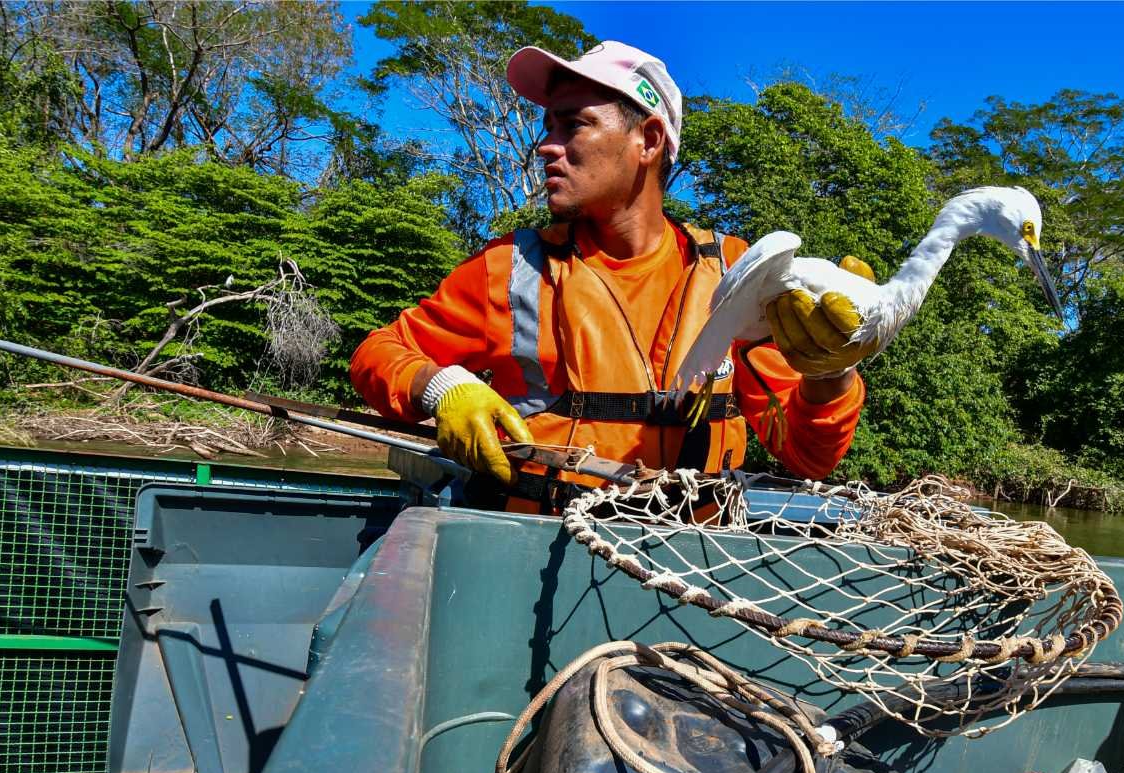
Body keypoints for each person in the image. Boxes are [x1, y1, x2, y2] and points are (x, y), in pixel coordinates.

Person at [351, 41, 875, 514]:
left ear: (647, 140)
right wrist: (441, 387)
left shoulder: (738, 271)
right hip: (535, 558)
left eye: (573, 124)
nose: (545, 146)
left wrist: (830, 372)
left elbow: (807, 456)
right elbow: (378, 354)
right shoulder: (509, 268)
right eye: (547, 126)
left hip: (694, 564)